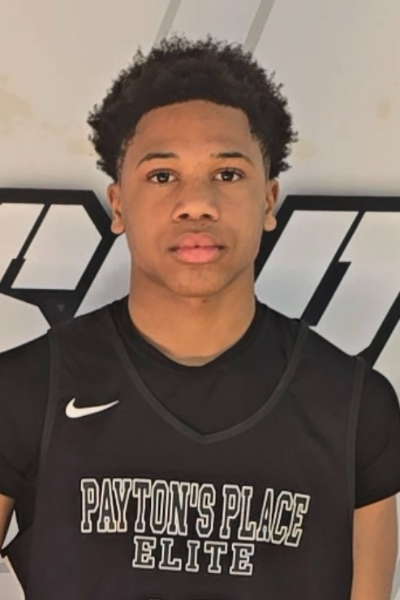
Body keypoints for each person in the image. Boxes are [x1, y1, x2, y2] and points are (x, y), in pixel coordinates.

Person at [0, 35, 400, 600]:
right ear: (118, 204)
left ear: (269, 201)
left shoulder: (356, 406)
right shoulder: (23, 389)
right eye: (162, 176)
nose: (197, 204)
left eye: (228, 174)